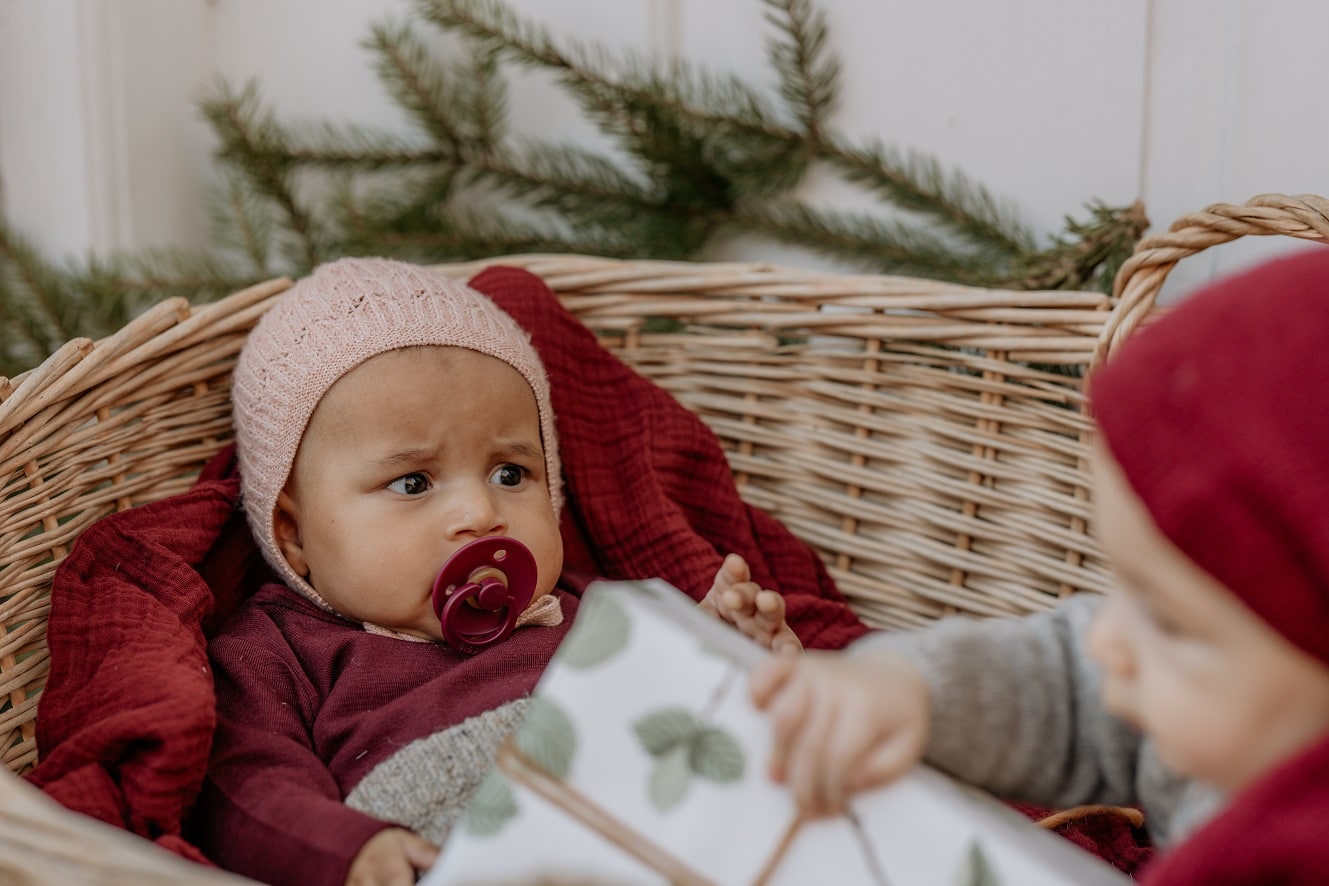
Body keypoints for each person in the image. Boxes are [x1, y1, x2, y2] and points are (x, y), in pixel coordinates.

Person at [191, 257, 801, 886]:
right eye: (412, 482)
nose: (480, 514)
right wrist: (350, 850)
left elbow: (676, 710)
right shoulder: (279, 653)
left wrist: (722, 651)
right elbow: (244, 783)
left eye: (511, 474)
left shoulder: (590, 609)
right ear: (293, 537)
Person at [750, 247, 1329, 883]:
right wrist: (911, 690)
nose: (1109, 638)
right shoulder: (1206, 719)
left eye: (1167, 621)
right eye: (1125, 588)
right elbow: (1069, 688)